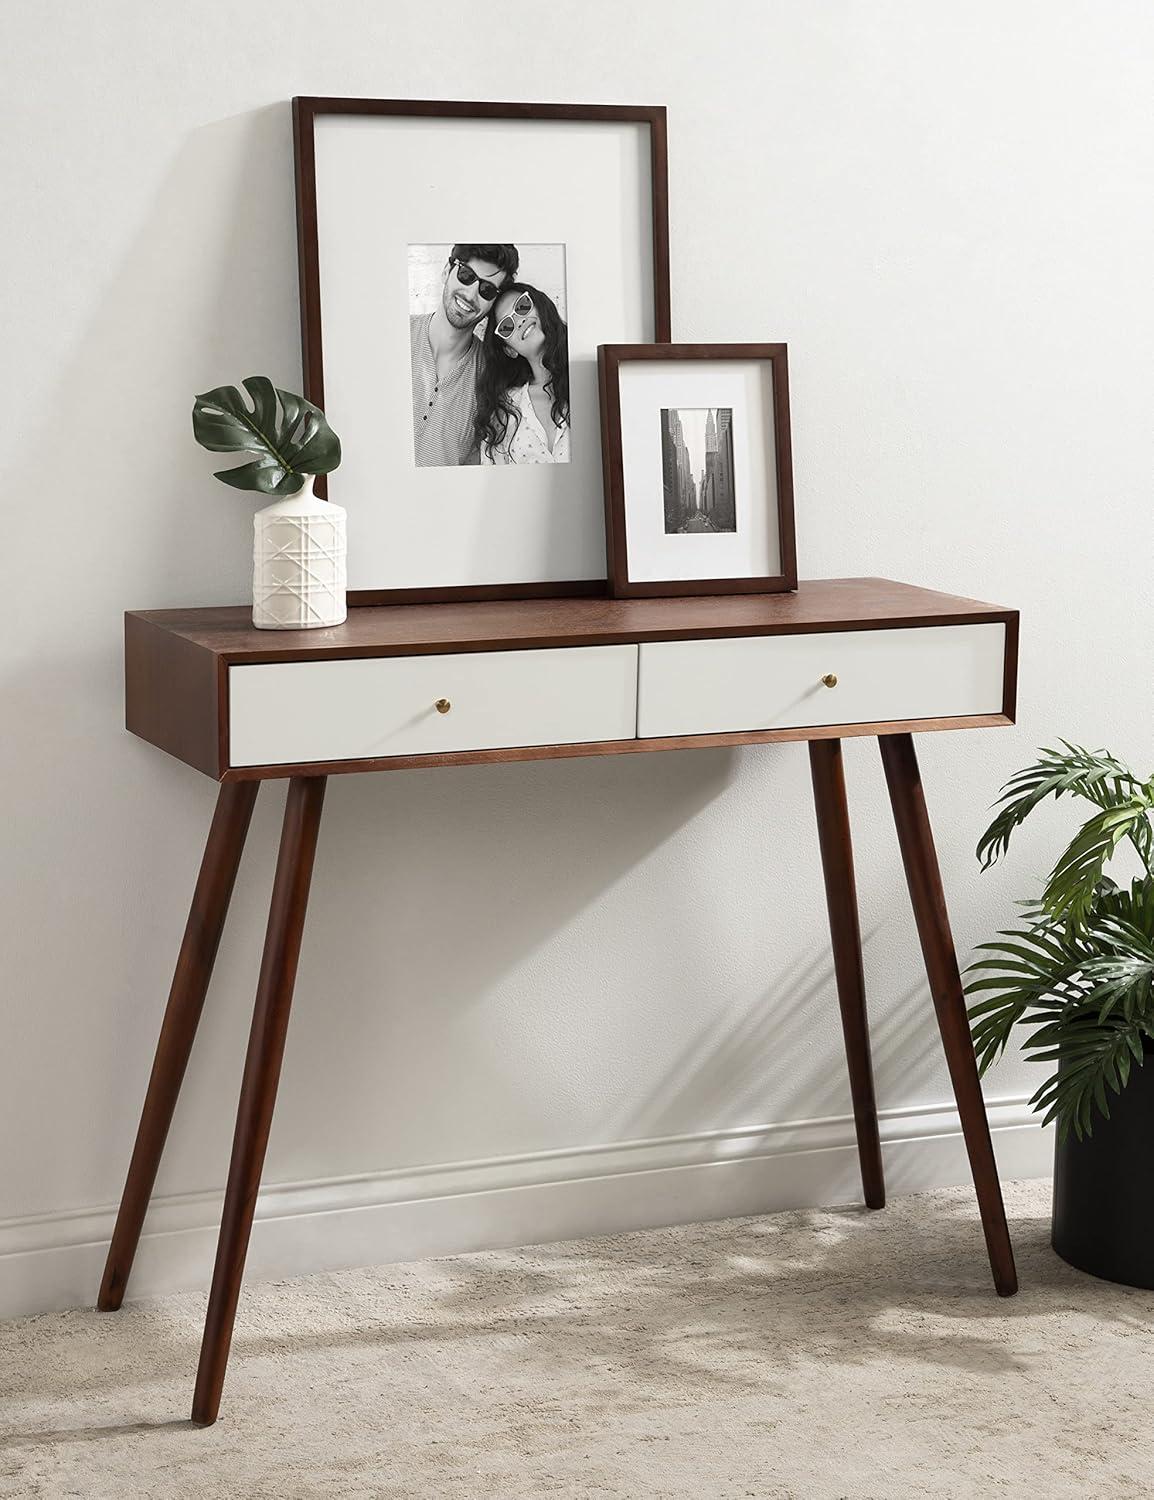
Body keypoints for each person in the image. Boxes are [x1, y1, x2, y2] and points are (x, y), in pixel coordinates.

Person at [410, 244, 519, 466]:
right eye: (466, 275)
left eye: (487, 290)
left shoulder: (491, 379)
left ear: (493, 304)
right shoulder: (394, 336)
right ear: (446, 271)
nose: (471, 294)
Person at [474, 282, 570, 465]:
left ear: (540, 308)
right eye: (506, 326)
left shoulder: (588, 379)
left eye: (522, 306)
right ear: (510, 350)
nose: (519, 321)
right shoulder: (504, 413)